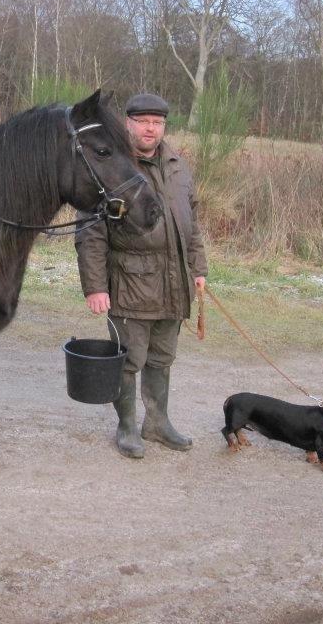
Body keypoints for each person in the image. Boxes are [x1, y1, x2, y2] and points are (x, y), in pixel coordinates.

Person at [75, 93, 207, 458]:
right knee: (129, 360)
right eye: (144, 121)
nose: (151, 129)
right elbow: (90, 233)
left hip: (174, 282)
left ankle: (158, 423)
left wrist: (198, 269)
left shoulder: (178, 165)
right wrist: (96, 286)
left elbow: (191, 224)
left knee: (162, 358)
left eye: (158, 122)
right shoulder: (114, 165)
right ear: (128, 124)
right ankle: (128, 426)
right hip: (130, 282)